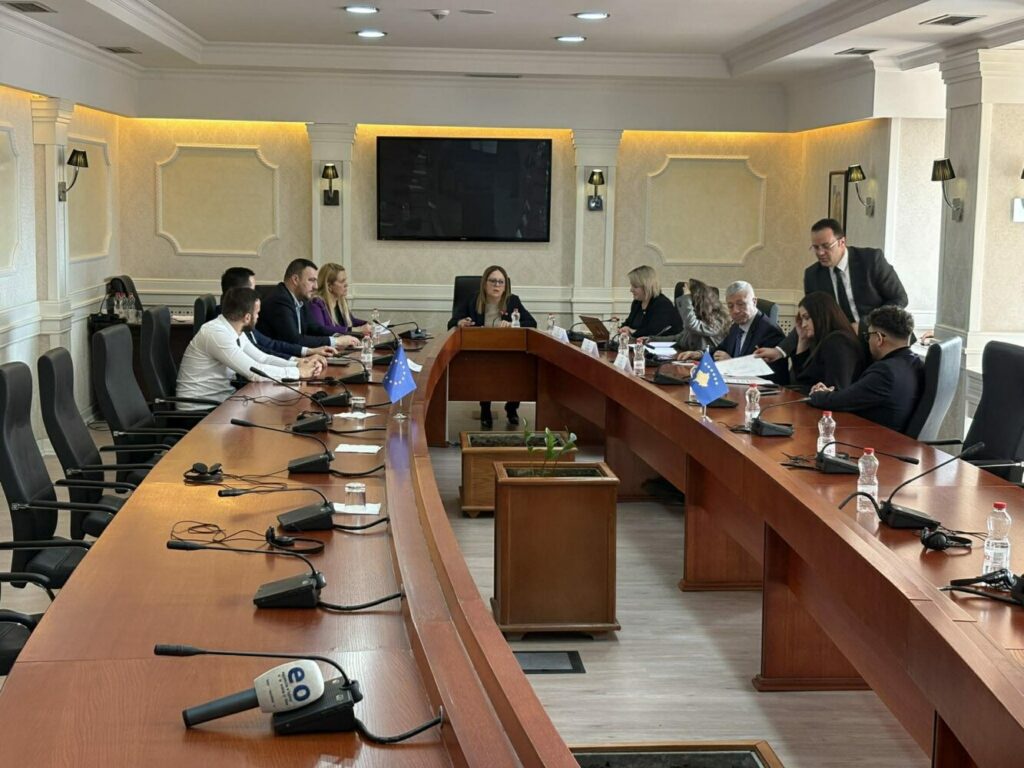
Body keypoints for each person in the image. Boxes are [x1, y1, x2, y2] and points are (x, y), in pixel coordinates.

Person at [755, 218, 908, 363]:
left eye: (826, 246)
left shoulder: (871, 260)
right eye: (816, 247)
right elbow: (809, 318)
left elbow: (899, 299)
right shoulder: (813, 276)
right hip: (842, 348)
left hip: (883, 342)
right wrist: (779, 350)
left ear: (842, 242)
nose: (820, 253)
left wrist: (864, 325)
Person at [177, 287, 322, 408]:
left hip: (220, 403)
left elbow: (262, 358)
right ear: (247, 317)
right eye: (257, 313)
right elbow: (255, 373)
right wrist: (299, 372)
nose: (258, 317)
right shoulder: (216, 334)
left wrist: (297, 364)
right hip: (199, 411)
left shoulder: (233, 328)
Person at [808, 306, 923, 433]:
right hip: (893, 437)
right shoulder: (915, 363)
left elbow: (840, 401)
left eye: (868, 336)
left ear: (879, 338)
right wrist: (830, 394)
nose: (868, 341)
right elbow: (851, 396)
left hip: (873, 438)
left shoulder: (885, 372)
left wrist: (817, 394)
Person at [447, 265, 536, 427]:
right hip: (480, 350)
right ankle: (485, 409)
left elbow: (532, 323)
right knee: (485, 368)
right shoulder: (473, 300)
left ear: (505, 286)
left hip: (507, 350)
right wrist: (460, 322)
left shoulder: (512, 301)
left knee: (519, 368)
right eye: (493, 281)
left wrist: (512, 324)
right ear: (484, 283)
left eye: (501, 282)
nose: (497, 285)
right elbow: (451, 323)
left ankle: (511, 408)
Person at [219, 267, 342, 360]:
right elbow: (258, 361)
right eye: (253, 289)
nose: (257, 295)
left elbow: (268, 346)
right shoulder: (224, 326)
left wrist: (306, 354)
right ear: (238, 293)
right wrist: (298, 365)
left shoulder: (239, 319)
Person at [677, 281, 788, 383]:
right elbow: (720, 349)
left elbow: (769, 374)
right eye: (730, 306)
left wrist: (732, 364)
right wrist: (699, 354)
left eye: (741, 304)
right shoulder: (737, 325)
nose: (735, 311)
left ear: (754, 302)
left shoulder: (770, 331)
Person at [256, 258, 359, 349]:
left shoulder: (301, 299)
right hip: (278, 359)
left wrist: (340, 336)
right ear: (295, 279)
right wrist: (335, 341)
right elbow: (294, 340)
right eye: (311, 280)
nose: (316, 286)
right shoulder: (280, 300)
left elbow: (314, 328)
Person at [788, 291, 864, 392]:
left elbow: (835, 390)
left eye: (807, 318)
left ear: (821, 315)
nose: (803, 325)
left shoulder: (838, 342)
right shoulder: (823, 341)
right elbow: (798, 380)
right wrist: (802, 339)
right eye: (802, 320)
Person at [307, 263, 371, 336]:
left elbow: (351, 321)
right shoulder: (316, 303)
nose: (346, 284)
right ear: (329, 286)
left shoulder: (341, 301)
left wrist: (368, 324)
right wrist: (354, 329)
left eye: (345, 280)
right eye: (342, 281)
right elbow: (321, 330)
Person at [620, 265, 682, 338]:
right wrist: (622, 329)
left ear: (647, 286)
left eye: (635, 286)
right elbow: (628, 323)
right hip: (638, 343)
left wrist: (632, 331)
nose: (631, 290)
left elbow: (653, 332)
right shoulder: (637, 303)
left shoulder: (662, 304)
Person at [673, 278, 730, 351]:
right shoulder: (699, 316)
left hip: (709, 357)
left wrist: (686, 298)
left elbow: (691, 325)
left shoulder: (718, 319)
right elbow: (680, 338)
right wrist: (657, 339)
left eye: (687, 296)